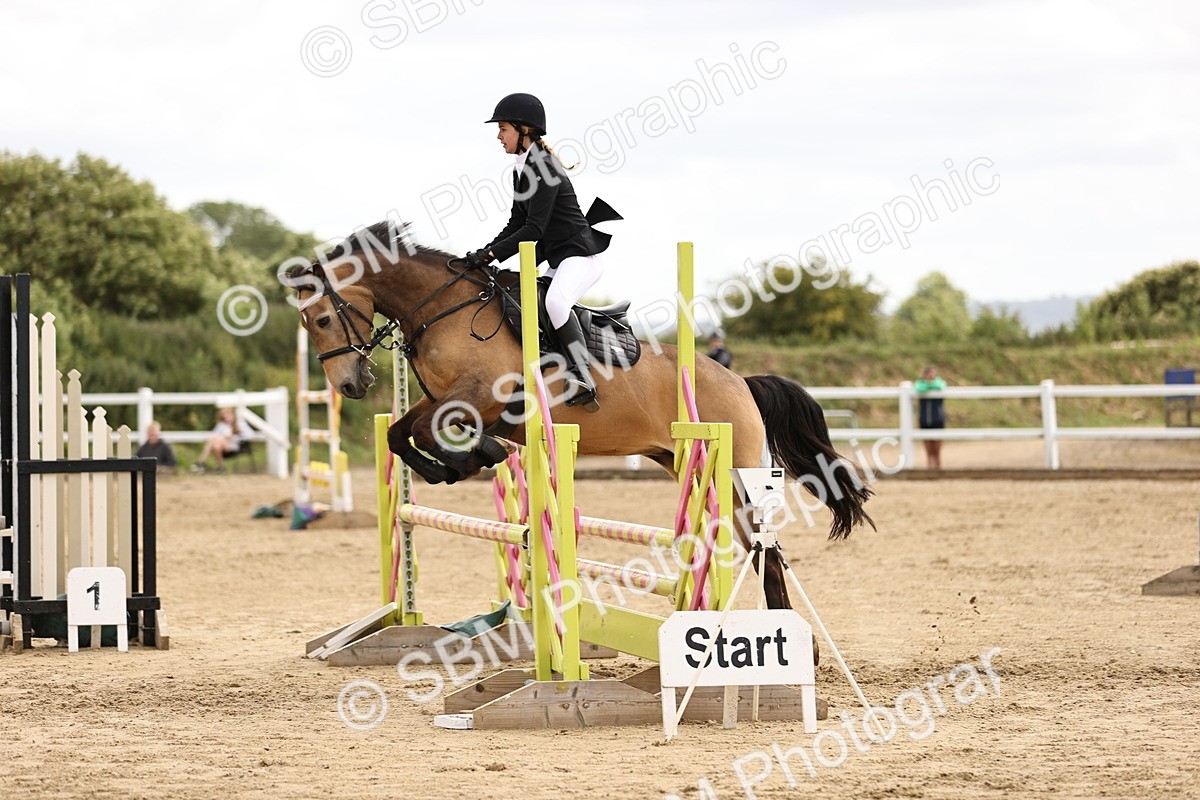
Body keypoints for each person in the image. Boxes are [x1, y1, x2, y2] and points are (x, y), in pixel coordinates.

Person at [463, 93, 622, 412]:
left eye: (503, 128)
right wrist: (485, 253)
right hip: (558, 259)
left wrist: (492, 254)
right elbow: (516, 222)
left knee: (555, 302)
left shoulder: (545, 168)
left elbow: (534, 230)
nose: (498, 136)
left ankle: (583, 375)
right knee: (524, 299)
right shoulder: (520, 169)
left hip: (579, 257)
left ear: (524, 130)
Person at [191, 407, 243, 473]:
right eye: (224, 417)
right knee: (216, 446)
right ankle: (220, 467)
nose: (226, 418)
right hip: (221, 447)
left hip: (233, 447)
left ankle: (200, 462)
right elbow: (213, 435)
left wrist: (233, 436)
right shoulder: (221, 425)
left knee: (215, 439)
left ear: (233, 415)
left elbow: (248, 435)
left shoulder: (240, 424)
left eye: (228, 416)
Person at [915, 366, 947, 469]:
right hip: (925, 420)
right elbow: (919, 388)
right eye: (929, 374)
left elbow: (941, 386)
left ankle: (938, 468)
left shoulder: (939, 383)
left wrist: (930, 385)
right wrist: (930, 386)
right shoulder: (921, 384)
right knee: (928, 449)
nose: (931, 376)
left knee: (937, 449)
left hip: (938, 420)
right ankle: (930, 468)